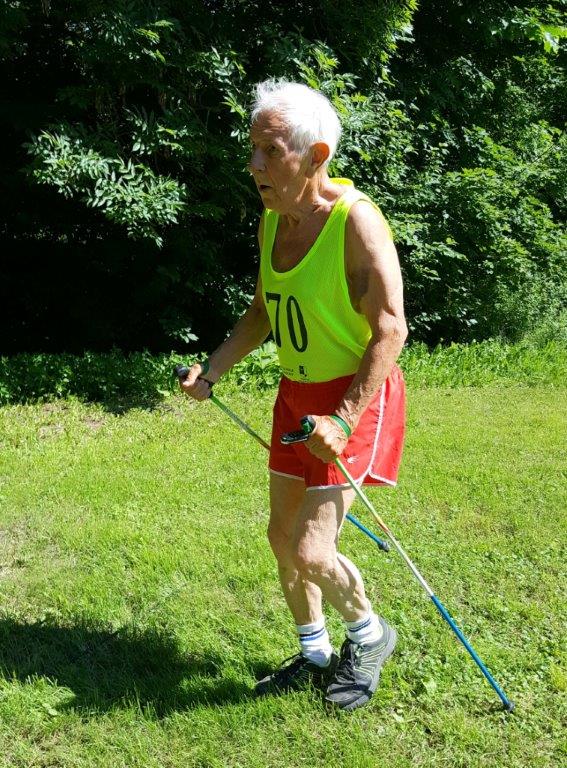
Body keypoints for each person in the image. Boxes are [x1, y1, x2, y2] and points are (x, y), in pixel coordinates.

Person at [181, 79, 407, 712]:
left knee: (313, 548)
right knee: (282, 538)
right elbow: (262, 313)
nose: (254, 164)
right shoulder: (273, 220)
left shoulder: (355, 222)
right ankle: (314, 654)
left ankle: (370, 635)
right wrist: (213, 370)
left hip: (353, 398)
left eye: (271, 151)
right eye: (253, 149)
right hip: (296, 397)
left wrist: (344, 417)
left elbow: (391, 329)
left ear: (316, 156)